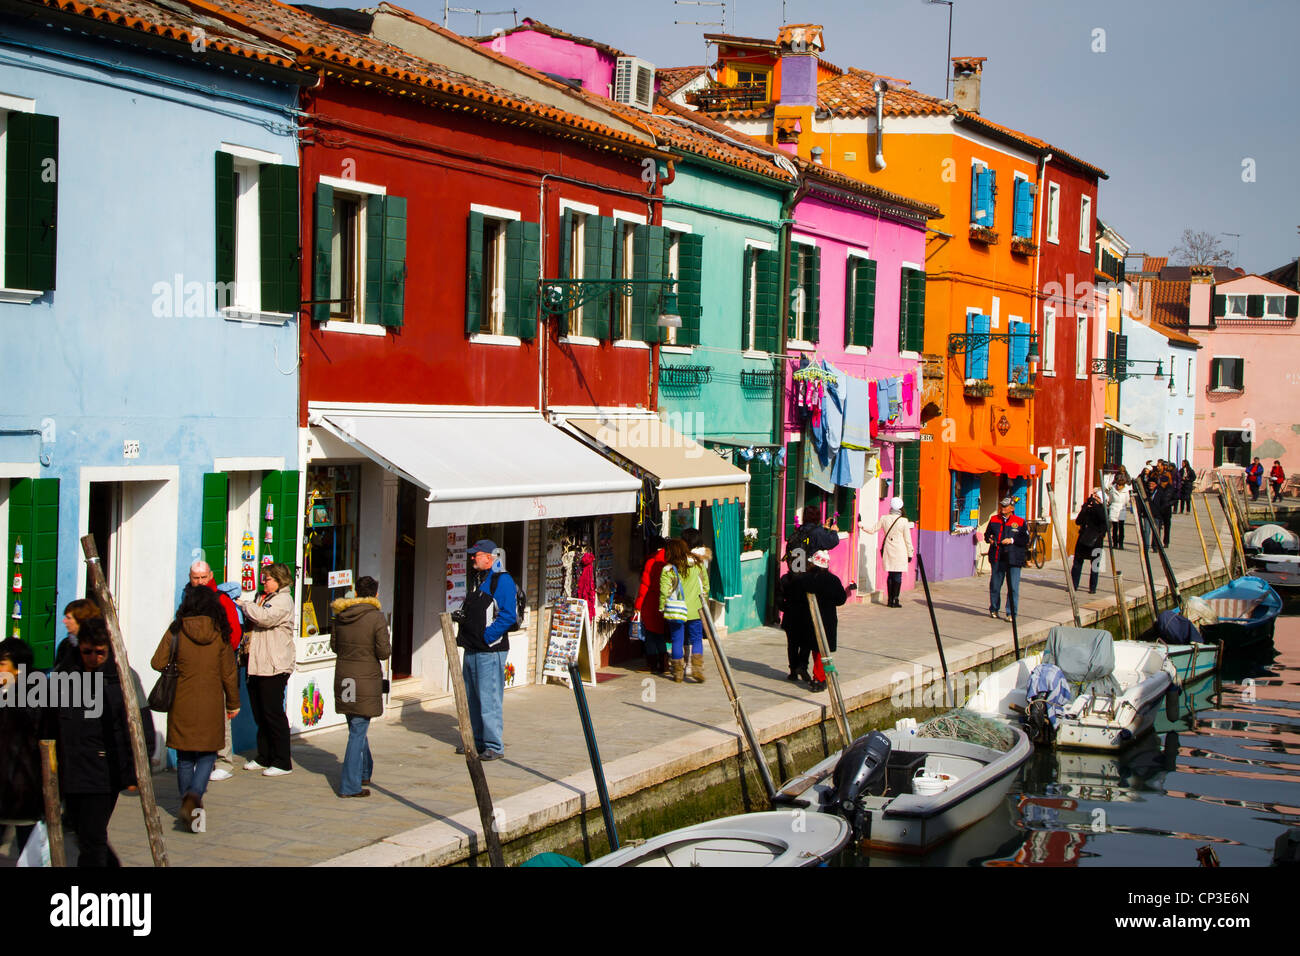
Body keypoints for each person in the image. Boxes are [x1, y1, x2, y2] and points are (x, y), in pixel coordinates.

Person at [152, 583, 239, 828]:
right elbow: (229, 674)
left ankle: (188, 801)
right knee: (208, 754)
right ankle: (194, 795)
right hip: (212, 701)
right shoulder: (220, 632)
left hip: (182, 700)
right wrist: (233, 703)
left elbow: (157, 662)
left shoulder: (176, 630)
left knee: (184, 756)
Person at [52, 618, 133, 866]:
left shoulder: (119, 681)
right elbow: (49, 723)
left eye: (100, 652)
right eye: (88, 651)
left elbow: (133, 732)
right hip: (71, 770)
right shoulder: (63, 679)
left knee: (93, 837)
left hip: (103, 773)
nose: (94, 658)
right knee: (82, 832)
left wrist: (131, 774)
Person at [454, 539, 515, 760]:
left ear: (489, 558)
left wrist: (487, 636)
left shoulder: (502, 581)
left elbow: (508, 615)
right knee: (473, 697)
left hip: (489, 650)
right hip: (472, 648)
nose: (472, 558)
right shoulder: (478, 579)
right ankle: (476, 741)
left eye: (476, 555)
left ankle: (493, 745)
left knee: (489, 698)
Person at [330, 575, 391, 797]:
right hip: (366, 679)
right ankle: (350, 785)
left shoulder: (340, 615)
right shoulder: (376, 618)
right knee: (357, 731)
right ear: (375, 594)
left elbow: (335, 646)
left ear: (355, 592)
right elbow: (384, 652)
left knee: (356, 726)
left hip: (345, 676)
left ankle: (365, 770)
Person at [237, 563, 295, 776]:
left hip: (274, 665)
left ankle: (282, 761)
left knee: (273, 713)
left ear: (279, 580)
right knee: (259, 713)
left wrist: (244, 605)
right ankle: (264, 756)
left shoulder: (283, 600)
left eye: (267, 579)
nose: (263, 582)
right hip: (256, 664)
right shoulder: (262, 598)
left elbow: (265, 617)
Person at [186, 560, 242, 782]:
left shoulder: (221, 600)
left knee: (220, 714)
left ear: (210, 576)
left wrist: (222, 657)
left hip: (217, 666)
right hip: (194, 669)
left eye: (203, 577)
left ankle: (224, 760)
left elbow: (234, 634)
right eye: (195, 578)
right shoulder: (188, 598)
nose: (199, 582)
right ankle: (199, 758)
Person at [0, 638, 43, 859]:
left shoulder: (33, 695)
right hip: (8, 783)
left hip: (22, 783)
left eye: (2, 664)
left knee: (29, 845)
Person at [658, 538, 709, 684]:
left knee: (677, 640)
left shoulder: (668, 569)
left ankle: (678, 673)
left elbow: (664, 591)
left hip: (676, 610)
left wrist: (662, 607)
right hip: (695, 609)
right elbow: (705, 584)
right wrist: (703, 599)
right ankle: (697, 669)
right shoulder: (697, 564)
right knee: (697, 639)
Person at [863, 497, 914, 607]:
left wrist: (861, 524)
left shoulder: (884, 518)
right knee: (897, 575)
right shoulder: (904, 521)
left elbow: (872, 530)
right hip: (900, 550)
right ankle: (895, 599)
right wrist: (910, 553)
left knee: (890, 574)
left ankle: (890, 599)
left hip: (888, 549)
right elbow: (907, 539)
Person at [985, 496, 1029, 621]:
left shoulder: (1020, 521)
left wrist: (1012, 540)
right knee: (995, 585)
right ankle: (994, 609)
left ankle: (1011, 613)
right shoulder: (994, 519)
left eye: (1005, 506)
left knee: (1013, 587)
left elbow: (1025, 539)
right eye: (1002, 506)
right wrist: (990, 539)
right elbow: (987, 534)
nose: (1003, 508)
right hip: (997, 557)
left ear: (1012, 508)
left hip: (1013, 558)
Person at [634, 536, 669, 675]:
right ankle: (664, 663)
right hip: (665, 602)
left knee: (650, 635)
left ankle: (652, 664)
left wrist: (638, 605)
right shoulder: (669, 560)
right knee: (660, 634)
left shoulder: (651, 561)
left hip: (651, 602)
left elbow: (645, 586)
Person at [1071, 490, 1109, 595]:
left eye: (1097, 497)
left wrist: (1097, 505)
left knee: (1095, 566)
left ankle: (1093, 587)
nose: (1094, 499)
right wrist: (1085, 507)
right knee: (1077, 564)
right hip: (1083, 539)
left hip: (1096, 541)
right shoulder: (1088, 509)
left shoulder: (1104, 510)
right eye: (1094, 496)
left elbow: (1103, 520)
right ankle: (1074, 585)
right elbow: (1078, 521)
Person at [783, 505, 839, 569]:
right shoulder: (818, 532)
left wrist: (824, 528)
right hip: (810, 568)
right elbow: (832, 542)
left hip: (798, 568)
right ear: (818, 517)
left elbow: (812, 533)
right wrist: (834, 531)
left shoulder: (800, 529)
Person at [55, 598, 102, 671]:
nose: (64, 621)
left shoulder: (99, 647)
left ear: (81, 620)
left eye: (68, 618)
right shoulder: (65, 645)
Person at [1106, 475, 1131, 549]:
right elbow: (1110, 499)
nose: (1119, 486)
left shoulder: (1126, 491)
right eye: (1118, 484)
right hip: (1114, 508)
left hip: (1122, 509)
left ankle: (1121, 543)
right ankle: (1115, 543)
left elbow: (1127, 500)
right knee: (1115, 528)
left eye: (1120, 485)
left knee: (1121, 527)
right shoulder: (1112, 490)